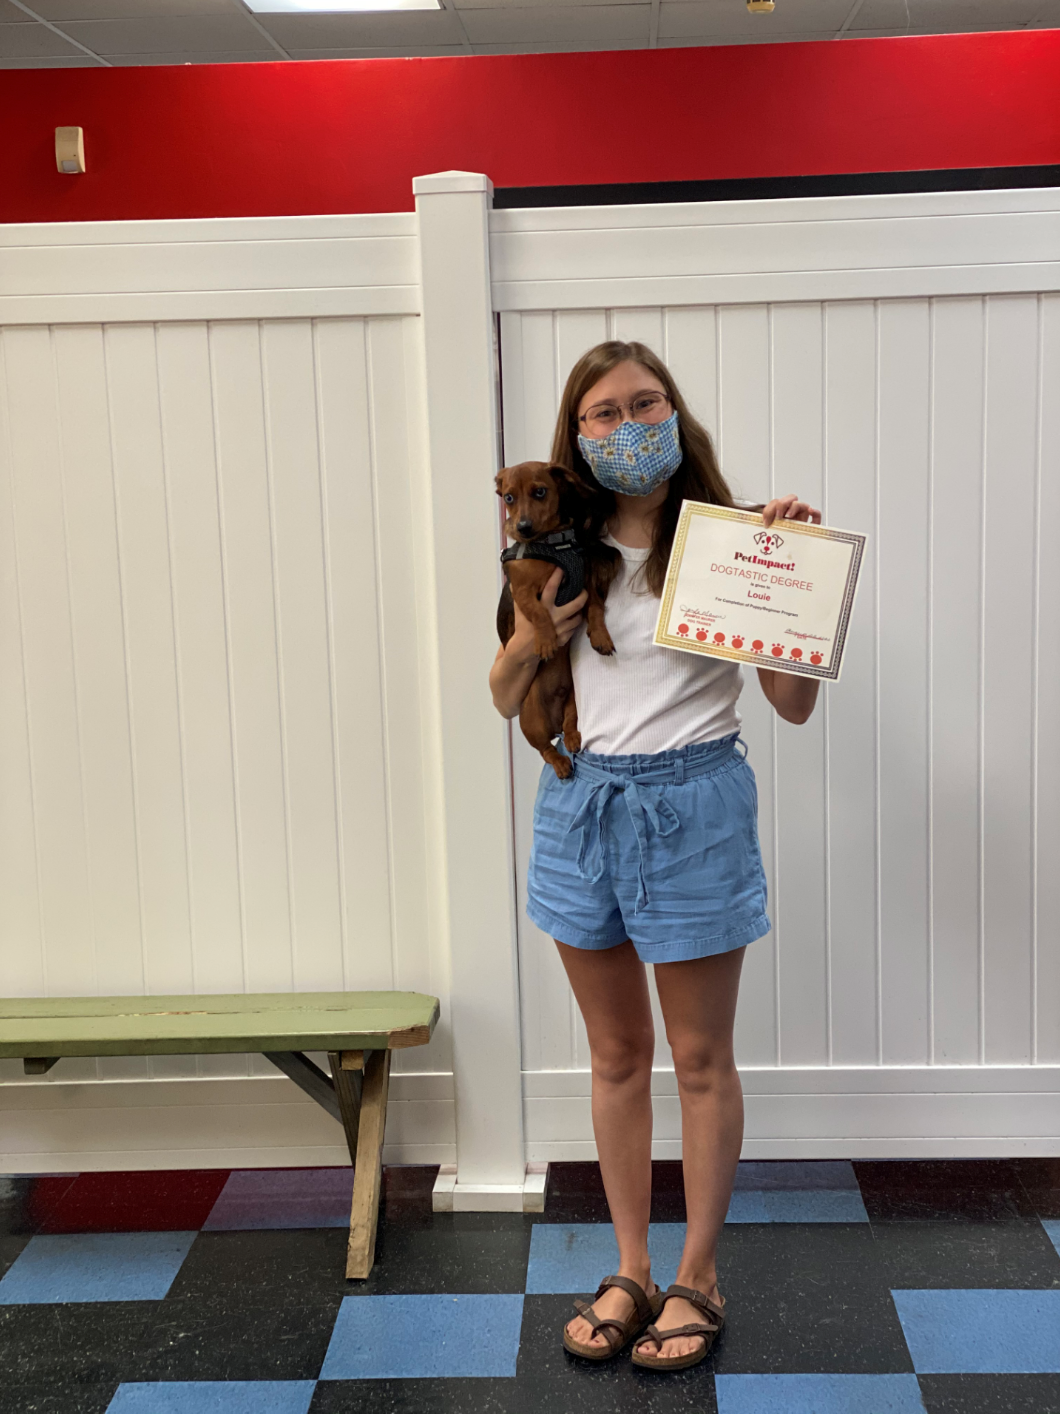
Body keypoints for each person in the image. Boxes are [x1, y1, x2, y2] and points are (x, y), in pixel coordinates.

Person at [489, 341, 821, 1369]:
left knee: (699, 1059)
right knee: (616, 1055)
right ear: (574, 437)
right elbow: (504, 697)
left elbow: (792, 705)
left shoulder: (728, 544)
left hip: (695, 801)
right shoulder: (553, 550)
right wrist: (536, 640)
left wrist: (791, 583)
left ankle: (699, 1274)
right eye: (601, 413)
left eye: (645, 403)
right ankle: (630, 1265)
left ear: (676, 413)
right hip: (578, 803)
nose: (626, 426)